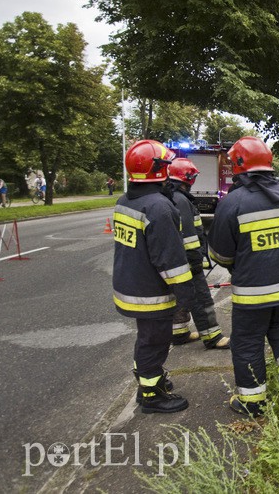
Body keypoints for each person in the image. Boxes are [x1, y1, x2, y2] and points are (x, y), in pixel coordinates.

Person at [208, 136, 279, 417]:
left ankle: (252, 402)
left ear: (239, 164)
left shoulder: (233, 202)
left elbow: (220, 254)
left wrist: (238, 264)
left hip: (252, 293)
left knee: (248, 341)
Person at [112, 139, 196, 414]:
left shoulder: (126, 200)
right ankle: (151, 396)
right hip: (151, 293)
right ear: (157, 169)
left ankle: (151, 381)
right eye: (166, 164)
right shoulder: (158, 208)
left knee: (146, 339)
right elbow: (170, 260)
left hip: (131, 286)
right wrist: (186, 292)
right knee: (155, 342)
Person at [168, 158, 230, 349]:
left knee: (179, 297)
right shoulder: (181, 200)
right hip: (187, 260)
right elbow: (188, 236)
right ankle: (213, 337)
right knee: (201, 298)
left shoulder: (172, 196)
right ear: (187, 177)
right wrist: (196, 261)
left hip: (175, 260)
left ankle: (179, 333)